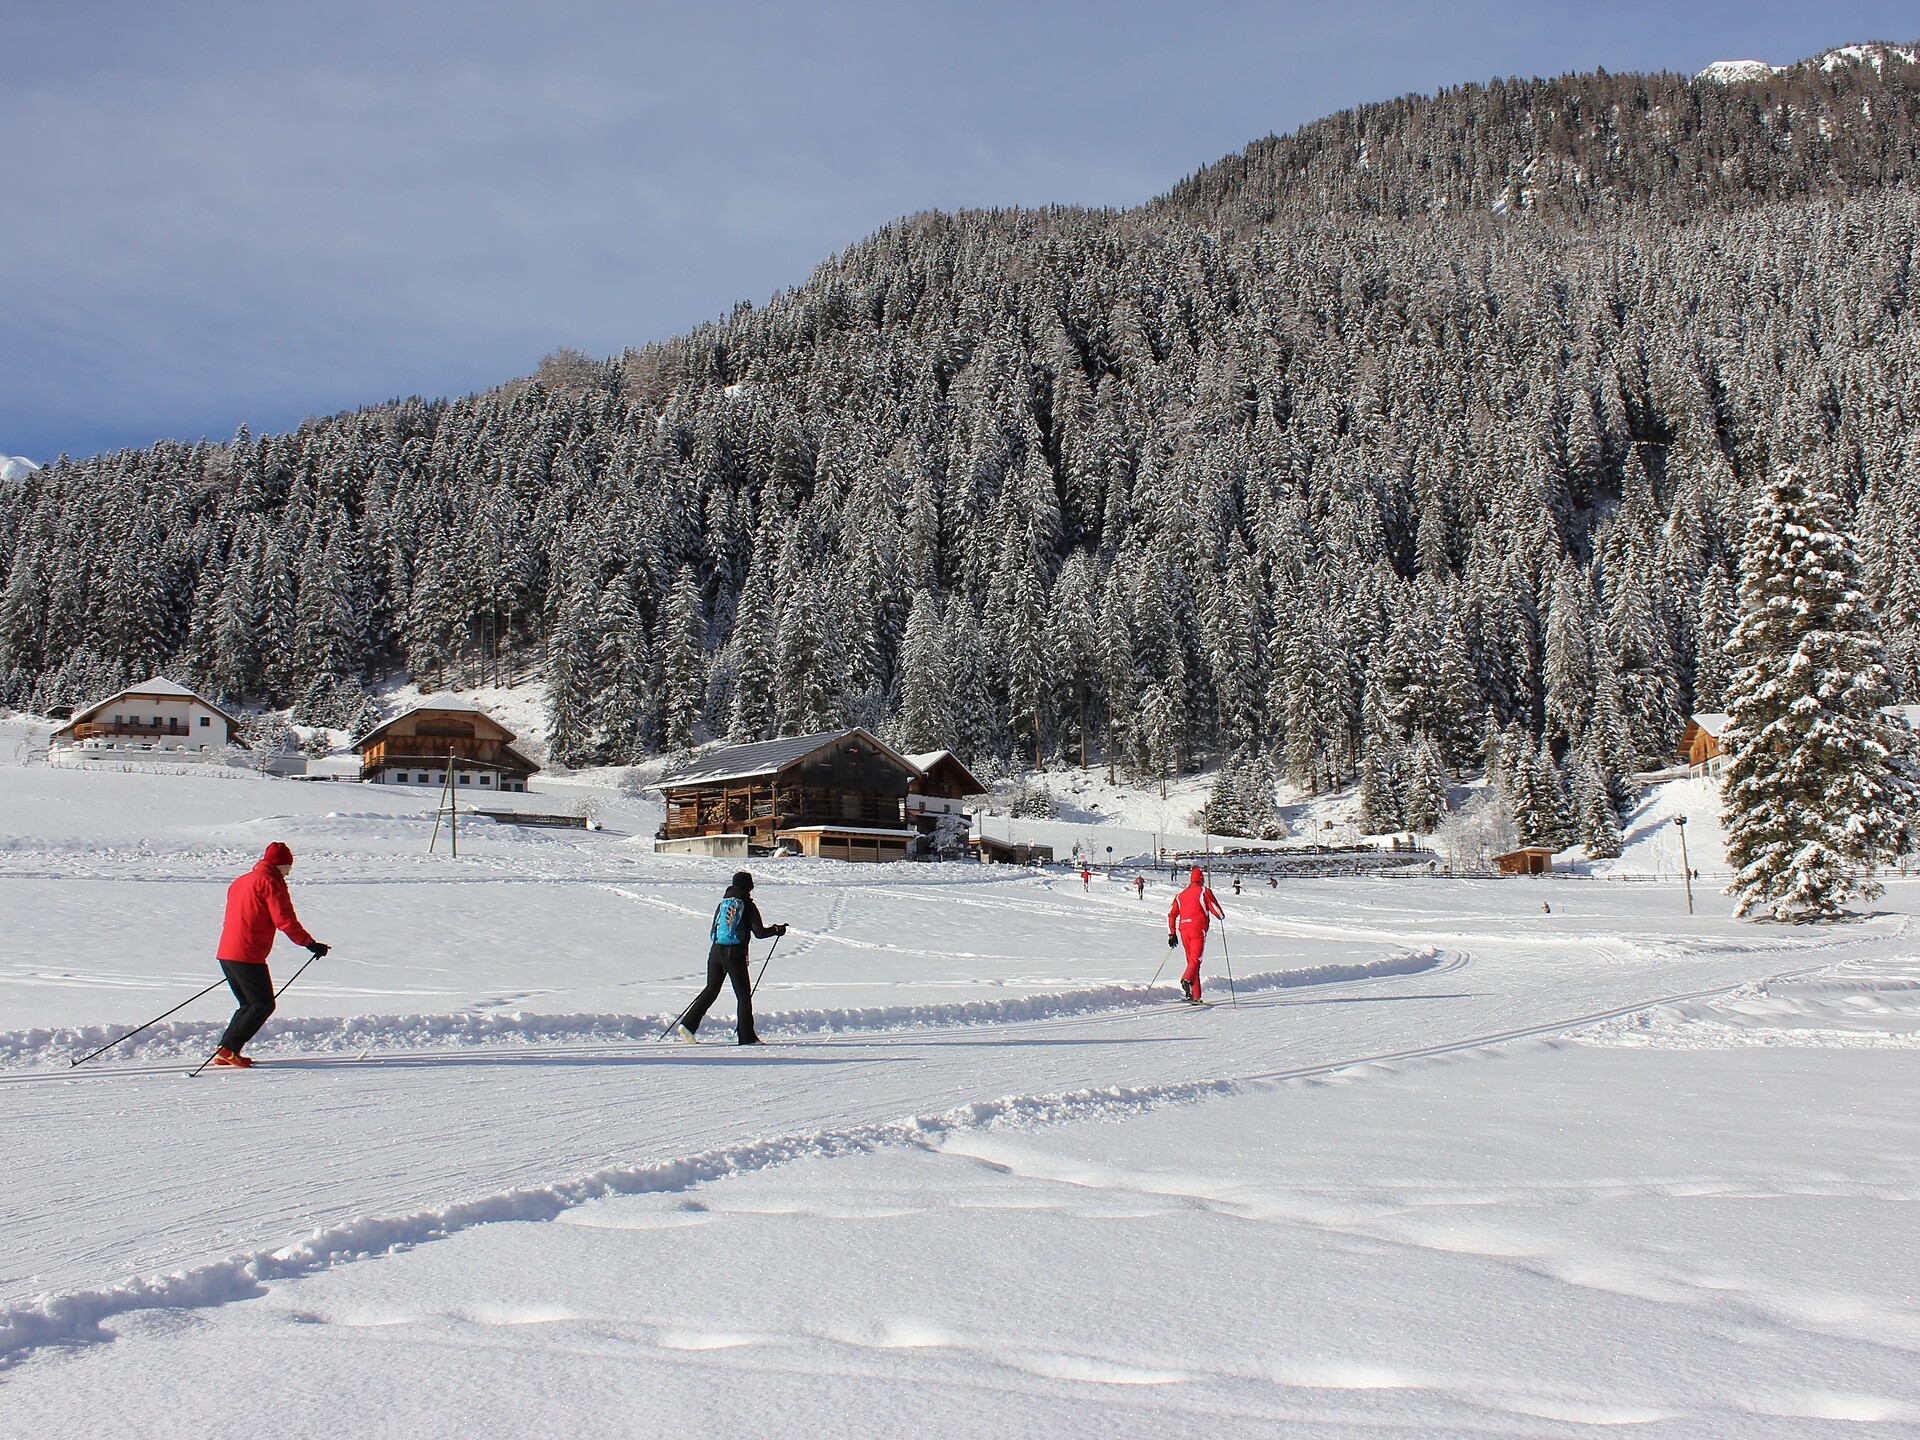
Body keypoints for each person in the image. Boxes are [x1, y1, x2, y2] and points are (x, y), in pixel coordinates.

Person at [212, 841, 326, 1068]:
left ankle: (226, 1050)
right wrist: (309, 943)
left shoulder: (241, 881)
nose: (288, 873)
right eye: (288, 868)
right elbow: (284, 919)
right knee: (263, 1004)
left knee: (248, 1004)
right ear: (280, 864)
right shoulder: (271, 883)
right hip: (248, 952)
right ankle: (229, 1048)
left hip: (227, 951)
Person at [676, 871, 788, 1045]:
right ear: (749, 886)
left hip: (715, 952)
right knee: (743, 996)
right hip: (734, 954)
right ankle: (747, 1037)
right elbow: (759, 932)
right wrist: (777, 930)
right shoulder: (747, 905)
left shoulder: (723, 903)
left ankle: (688, 1025)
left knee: (710, 990)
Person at [1166, 867, 1225, 1005]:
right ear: (1202, 879)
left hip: (1183, 929)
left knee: (1191, 962)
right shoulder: (1204, 891)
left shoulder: (1180, 895)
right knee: (1196, 960)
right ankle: (1186, 980)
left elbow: (1171, 914)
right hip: (1198, 928)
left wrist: (1171, 934)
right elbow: (1216, 910)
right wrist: (1221, 916)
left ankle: (1195, 995)